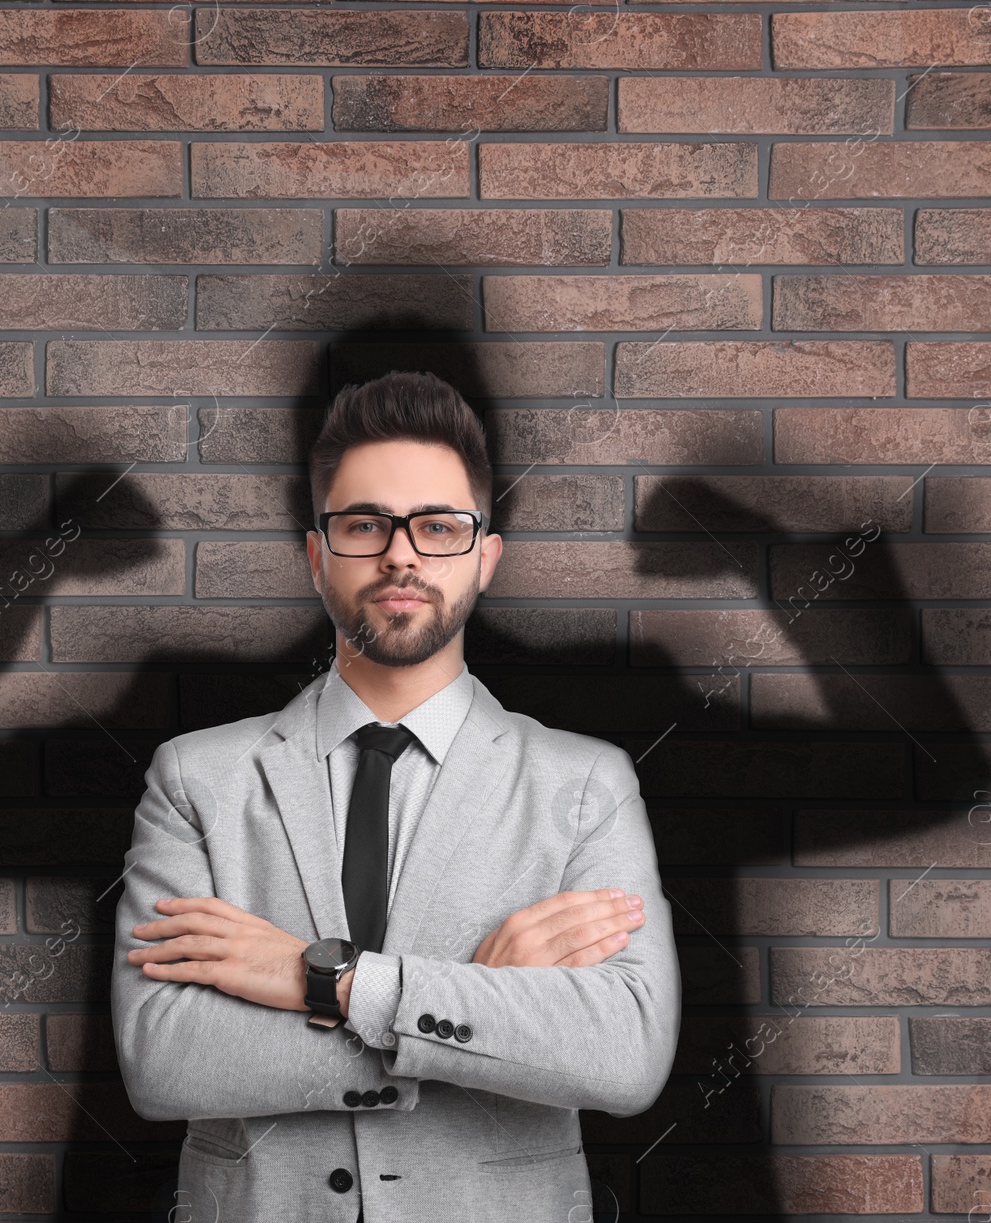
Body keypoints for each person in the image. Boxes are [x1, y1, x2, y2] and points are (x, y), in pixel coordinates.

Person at [112, 370, 680, 1222]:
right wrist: (473, 1009)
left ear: (485, 557)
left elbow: (623, 1055)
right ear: (317, 555)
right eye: (365, 523)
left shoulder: (586, 785)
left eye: (439, 526)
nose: (402, 553)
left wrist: (328, 982)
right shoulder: (197, 778)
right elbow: (163, 1059)